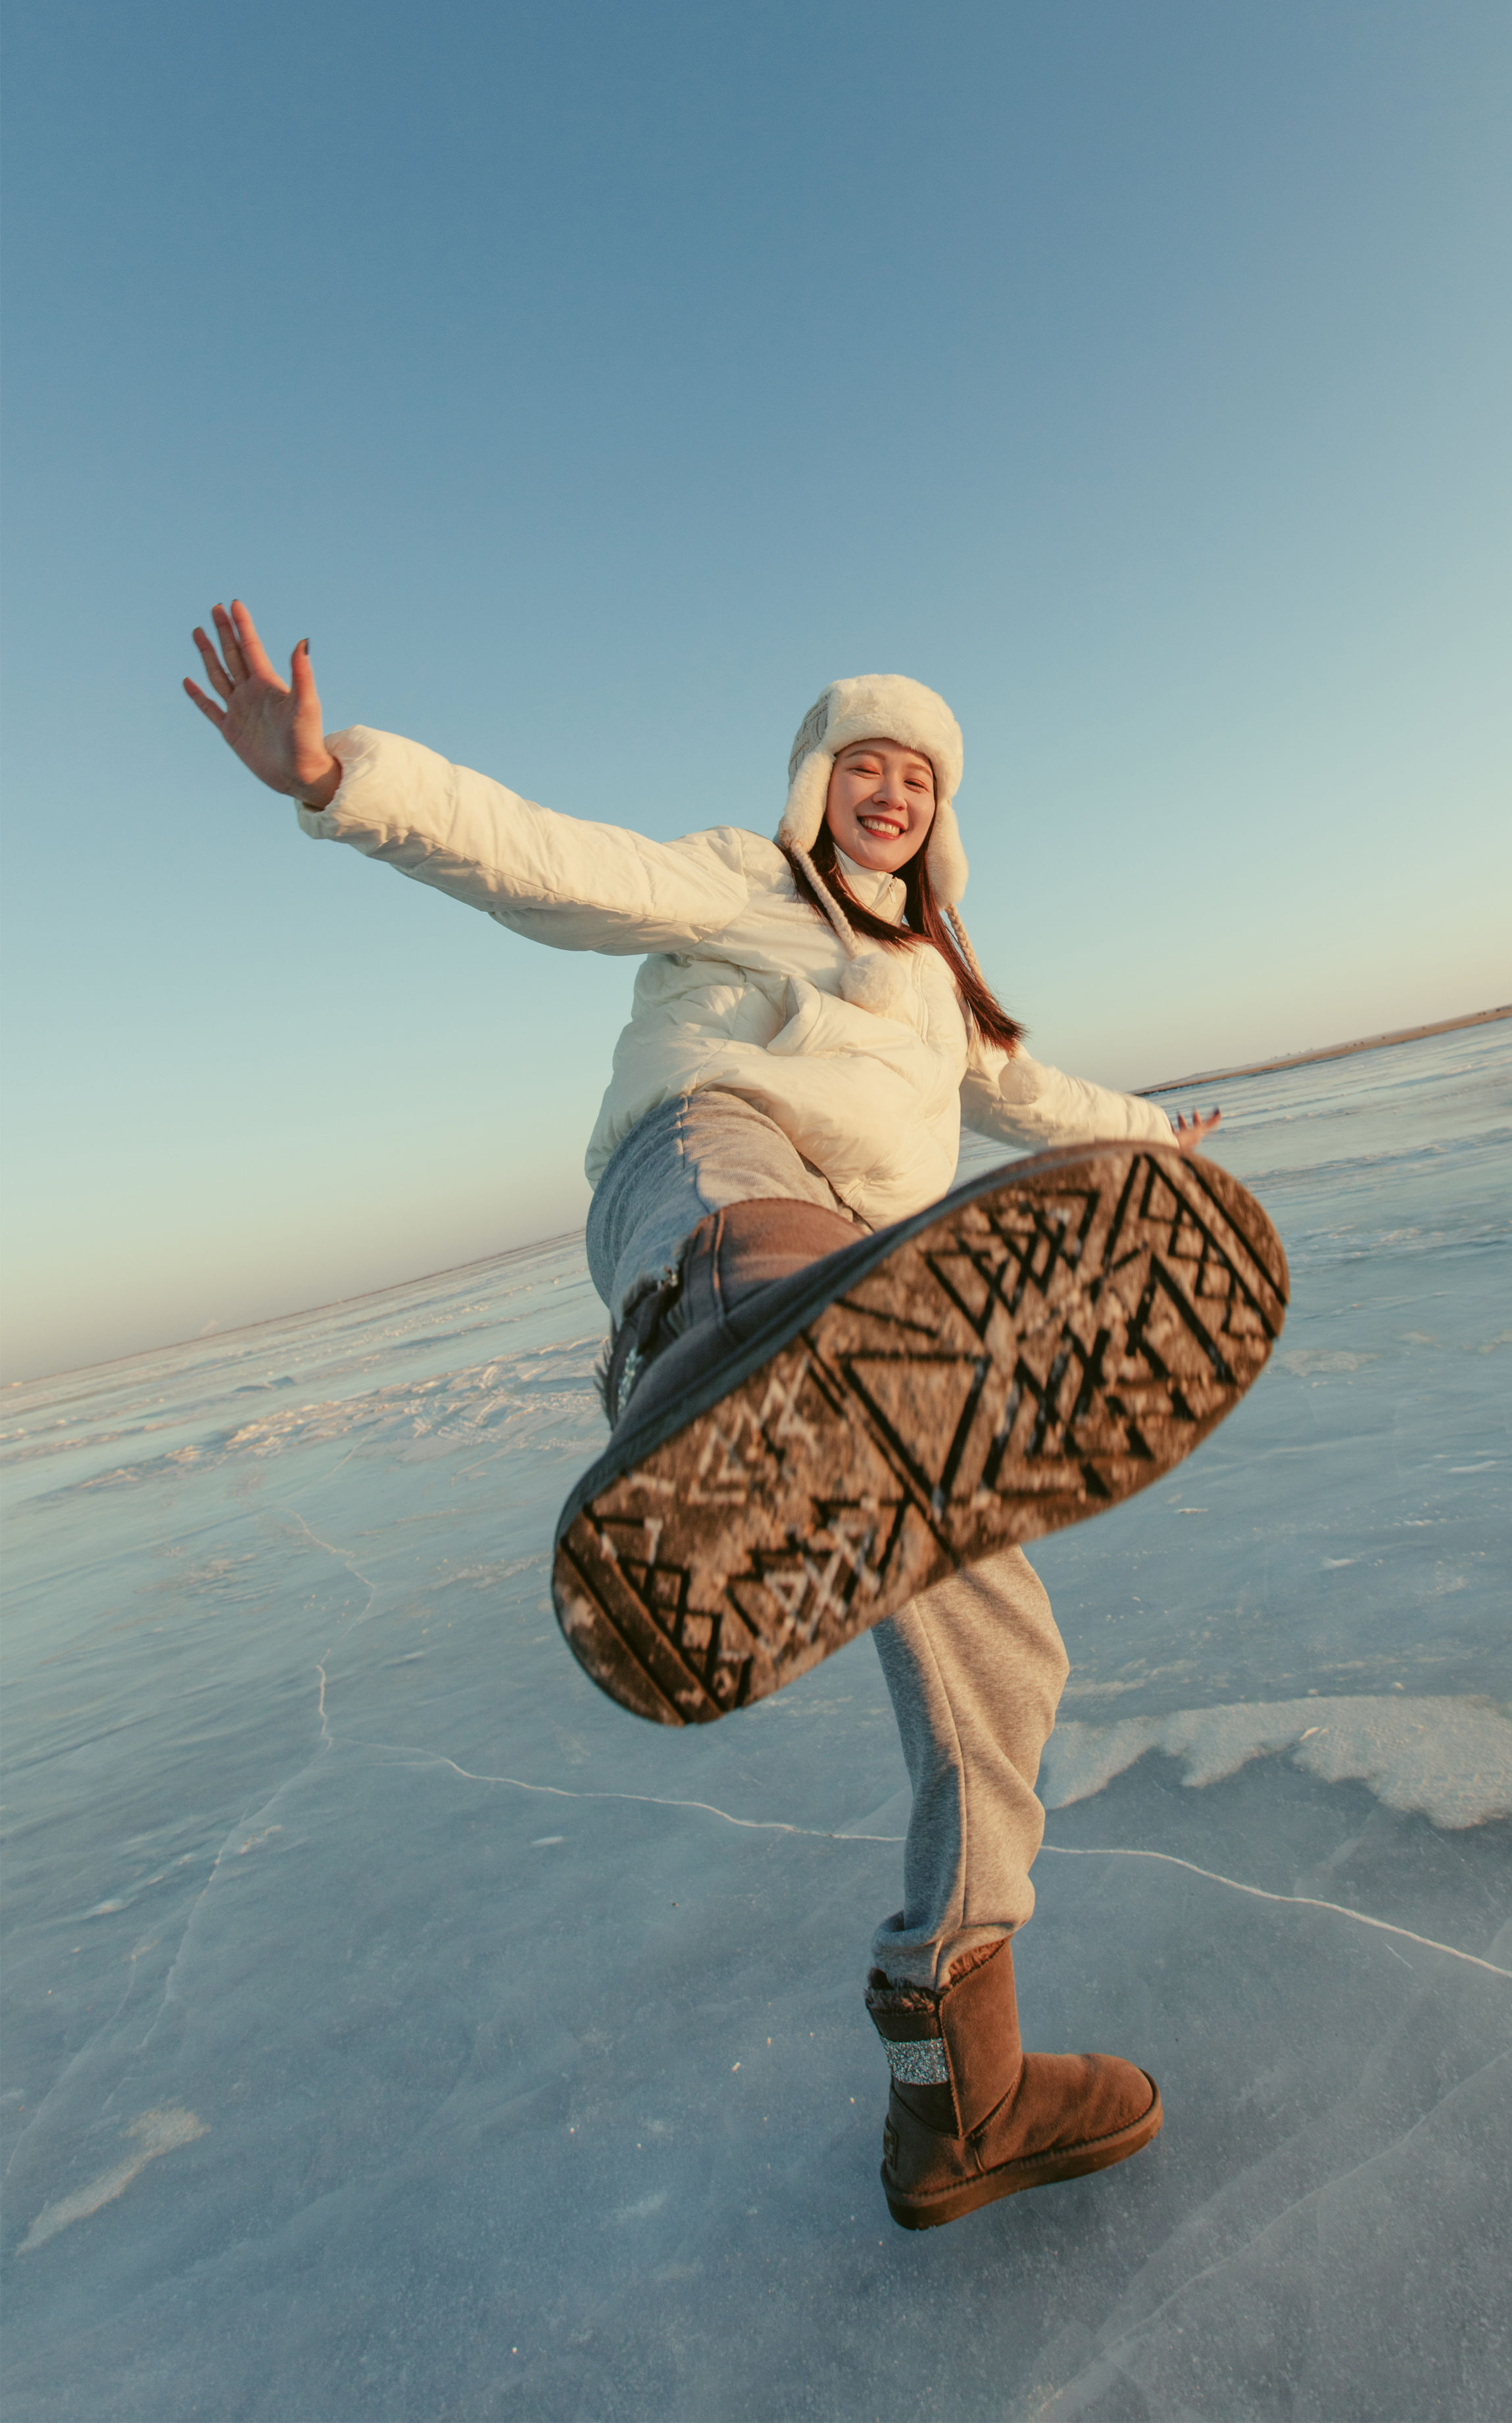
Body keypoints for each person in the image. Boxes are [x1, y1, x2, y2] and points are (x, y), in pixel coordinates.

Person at [185, 599, 1221, 2230]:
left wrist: (1157, 1134)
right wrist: (336, 778)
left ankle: (964, 2080)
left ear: (945, 812)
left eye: (918, 775)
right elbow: (553, 861)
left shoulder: (941, 983)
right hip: (710, 1181)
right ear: (818, 783)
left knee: (1001, 1638)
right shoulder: (747, 882)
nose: (891, 792)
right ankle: (716, 1362)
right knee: (773, 1258)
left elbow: (1031, 1093)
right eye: (863, 764)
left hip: (876, 1315)